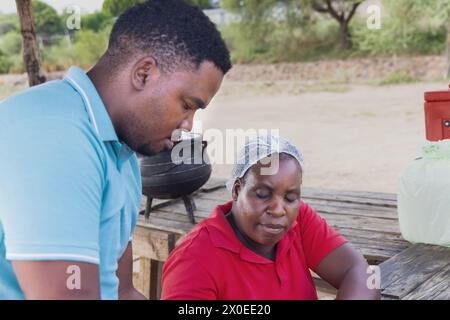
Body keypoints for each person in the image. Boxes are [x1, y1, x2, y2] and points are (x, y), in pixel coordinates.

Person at [0, 0, 231, 300]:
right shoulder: (57, 138)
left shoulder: (121, 155)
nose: (188, 125)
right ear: (144, 73)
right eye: (187, 105)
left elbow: (122, 290)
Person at [161, 136, 380, 300]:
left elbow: (361, 271)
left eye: (290, 197)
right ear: (237, 191)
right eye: (263, 194)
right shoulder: (194, 259)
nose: (278, 209)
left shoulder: (299, 220)